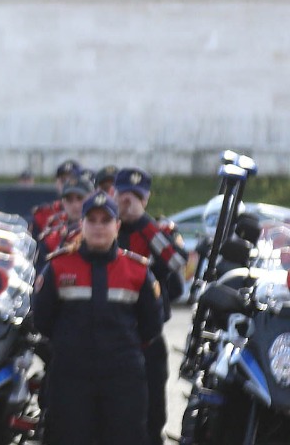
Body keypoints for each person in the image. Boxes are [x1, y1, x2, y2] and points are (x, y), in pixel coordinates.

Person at [32, 191, 162, 445]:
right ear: (81, 224)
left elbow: (151, 326)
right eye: (92, 220)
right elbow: (42, 320)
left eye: (106, 220)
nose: (99, 227)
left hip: (123, 380)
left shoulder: (137, 270)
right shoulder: (59, 267)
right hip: (71, 379)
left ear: (117, 226)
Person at [114, 168, 185, 445]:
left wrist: (143, 222)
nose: (127, 202)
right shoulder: (103, 227)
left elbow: (178, 264)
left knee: (152, 412)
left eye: (136, 196)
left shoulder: (157, 231)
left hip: (148, 338)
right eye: (123, 195)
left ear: (146, 199)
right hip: (112, 336)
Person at [37, 176, 92, 261]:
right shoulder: (50, 239)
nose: (75, 205)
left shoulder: (103, 234)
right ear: (63, 202)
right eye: (69, 199)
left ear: (91, 198)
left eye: (80, 198)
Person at [31, 159, 81, 240]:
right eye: (63, 180)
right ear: (56, 183)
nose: (67, 185)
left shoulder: (91, 215)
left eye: (72, 180)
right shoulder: (43, 214)